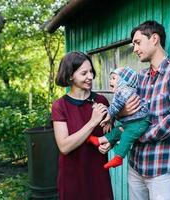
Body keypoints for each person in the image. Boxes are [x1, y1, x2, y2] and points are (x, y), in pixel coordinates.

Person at [121, 20, 170, 200]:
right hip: (136, 164)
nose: (134, 49)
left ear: (154, 38)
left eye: (137, 42)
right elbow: (127, 112)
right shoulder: (140, 77)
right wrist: (122, 113)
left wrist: (141, 136)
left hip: (162, 168)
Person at [51, 51, 114, 200]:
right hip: (72, 178)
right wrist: (92, 122)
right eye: (84, 73)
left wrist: (110, 142)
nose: (90, 77)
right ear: (70, 75)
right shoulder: (60, 106)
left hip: (99, 175)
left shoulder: (101, 101)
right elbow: (64, 147)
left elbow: (110, 133)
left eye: (91, 71)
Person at [87, 66, 150, 169]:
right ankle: (99, 140)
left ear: (123, 81)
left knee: (126, 135)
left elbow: (116, 106)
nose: (110, 81)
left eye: (114, 78)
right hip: (132, 121)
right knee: (117, 130)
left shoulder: (124, 91)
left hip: (140, 122)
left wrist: (109, 115)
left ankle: (118, 158)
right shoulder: (123, 91)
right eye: (110, 78)